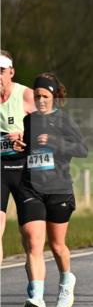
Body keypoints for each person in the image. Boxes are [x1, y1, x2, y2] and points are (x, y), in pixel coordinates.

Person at [16, 73, 88, 307]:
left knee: (57, 246)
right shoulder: (28, 121)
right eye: (37, 96)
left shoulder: (64, 121)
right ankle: (36, 297)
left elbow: (82, 149)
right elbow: (25, 151)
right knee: (34, 242)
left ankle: (66, 280)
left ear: (55, 97)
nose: (41, 100)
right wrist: (19, 146)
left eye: (45, 96)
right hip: (31, 187)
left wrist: (57, 142)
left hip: (58, 189)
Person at [0, 50, 36, 265]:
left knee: (30, 235)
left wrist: (25, 135)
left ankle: (35, 286)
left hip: (24, 168)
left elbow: (51, 126)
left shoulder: (26, 96)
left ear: (11, 72)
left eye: (1, 71)